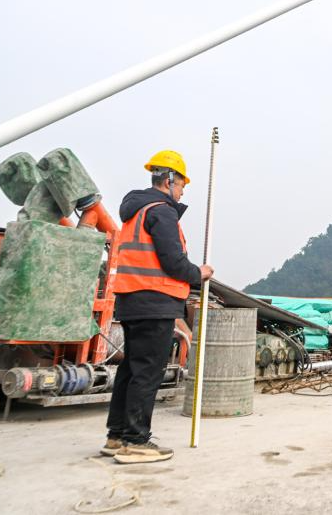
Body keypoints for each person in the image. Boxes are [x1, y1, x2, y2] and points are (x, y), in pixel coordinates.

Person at [103, 150, 214, 464]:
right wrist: (199, 273)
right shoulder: (162, 212)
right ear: (169, 180)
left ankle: (117, 435)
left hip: (131, 301)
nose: (182, 192)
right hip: (155, 302)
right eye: (182, 185)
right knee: (148, 373)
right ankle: (136, 441)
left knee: (130, 369)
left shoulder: (135, 211)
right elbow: (173, 262)